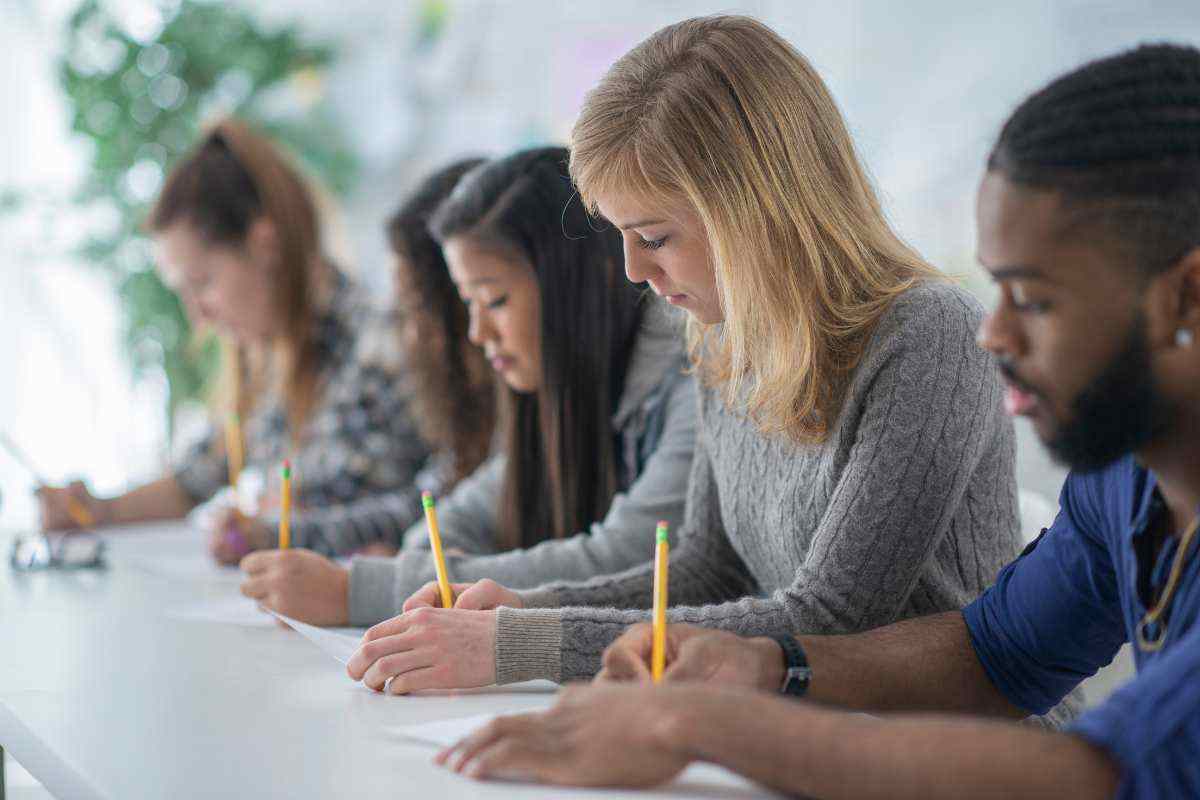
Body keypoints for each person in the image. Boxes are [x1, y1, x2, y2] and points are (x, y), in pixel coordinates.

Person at [437, 42, 1200, 799]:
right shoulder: (1122, 480)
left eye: (1030, 299)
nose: (994, 335)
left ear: (1187, 298)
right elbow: (998, 652)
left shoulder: (927, 334)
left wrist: (691, 721)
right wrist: (764, 665)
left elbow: (1105, 772)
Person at [345, 15, 1025, 697]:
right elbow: (705, 570)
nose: (632, 270)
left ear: (755, 210)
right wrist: (525, 612)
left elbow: (832, 620)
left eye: (655, 236)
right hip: (794, 736)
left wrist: (527, 643)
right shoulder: (723, 336)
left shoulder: (930, 336)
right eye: (620, 235)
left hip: (947, 752)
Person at [239, 147, 697, 627]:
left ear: (579, 285)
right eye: (468, 304)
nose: (477, 334)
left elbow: (626, 558)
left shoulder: (685, 379)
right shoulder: (543, 396)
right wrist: (420, 567)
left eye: (495, 300)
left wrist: (365, 590)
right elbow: (456, 518)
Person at [38, 119, 430, 553]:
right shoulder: (263, 364)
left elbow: (439, 509)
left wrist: (270, 532)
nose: (197, 315)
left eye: (202, 283)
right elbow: (193, 481)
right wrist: (97, 512)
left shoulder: (388, 344)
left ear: (264, 245)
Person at [204, 158, 497, 561]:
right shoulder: (269, 365)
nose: (407, 335)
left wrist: (370, 581)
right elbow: (431, 508)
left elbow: (417, 513)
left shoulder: (369, 345)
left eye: (414, 310)